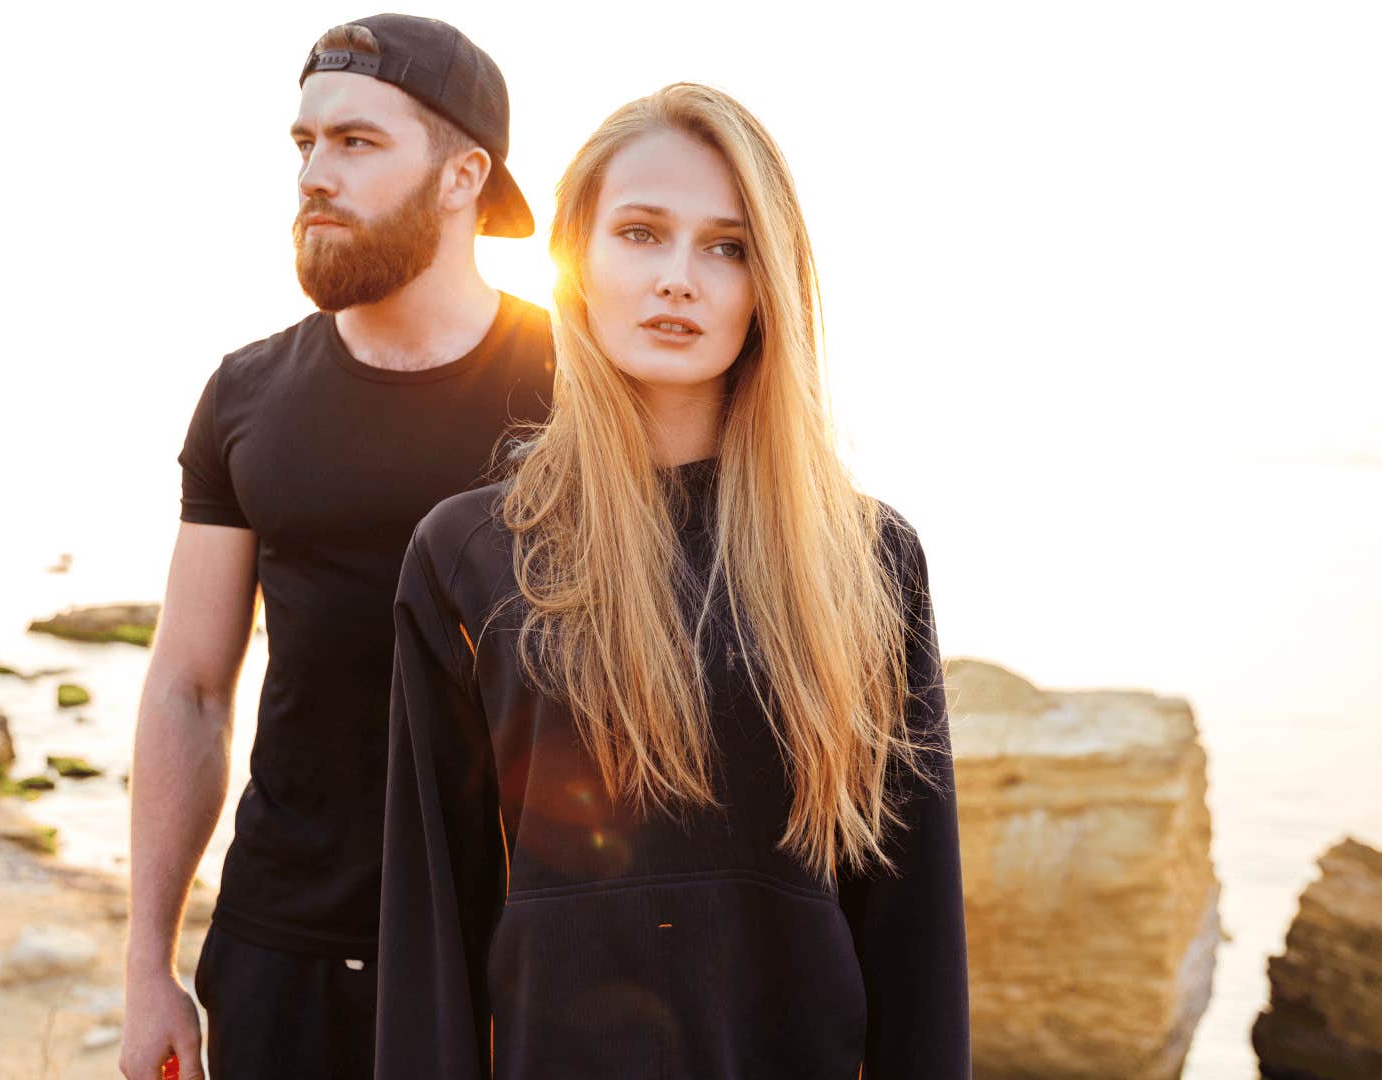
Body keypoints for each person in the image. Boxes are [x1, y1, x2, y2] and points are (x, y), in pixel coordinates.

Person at [375, 83, 971, 1078]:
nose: (681, 279)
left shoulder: (867, 558)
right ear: (578, 260)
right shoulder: (469, 555)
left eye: (727, 246)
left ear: (768, 284)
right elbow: (433, 923)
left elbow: (915, 935)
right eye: (642, 234)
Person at [119, 15, 554, 1080]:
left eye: (356, 143)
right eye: (305, 144)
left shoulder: (577, 392)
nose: (316, 173)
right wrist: (147, 966)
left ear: (463, 177)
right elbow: (188, 687)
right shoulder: (245, 393)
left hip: (518, 952)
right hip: (283, 947)